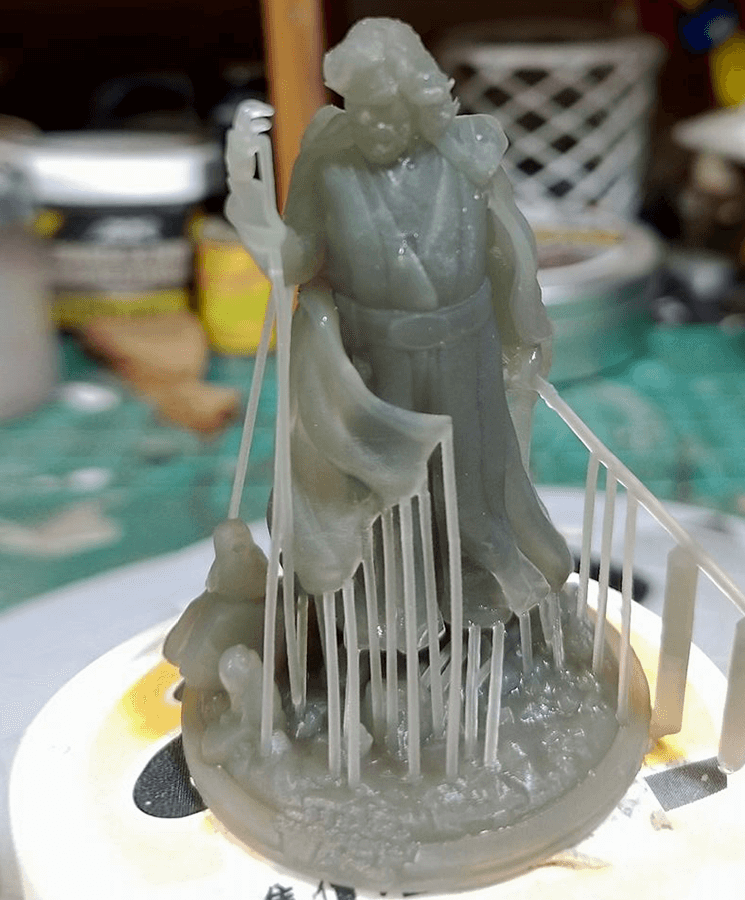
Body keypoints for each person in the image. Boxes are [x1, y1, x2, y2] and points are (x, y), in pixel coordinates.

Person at [229, 18, 572, 623]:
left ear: (418, 100)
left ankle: (495, 577)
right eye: (358, 110)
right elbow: (298, 259)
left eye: (385, 111)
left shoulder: (466, 156)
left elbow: (506, 250)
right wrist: (251, 203)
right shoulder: (330, 161)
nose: (373, 126)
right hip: (373, 355)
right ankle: (392, 617)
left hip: (466, 346)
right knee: (387, 492)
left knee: (475, 480)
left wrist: (526, 332)